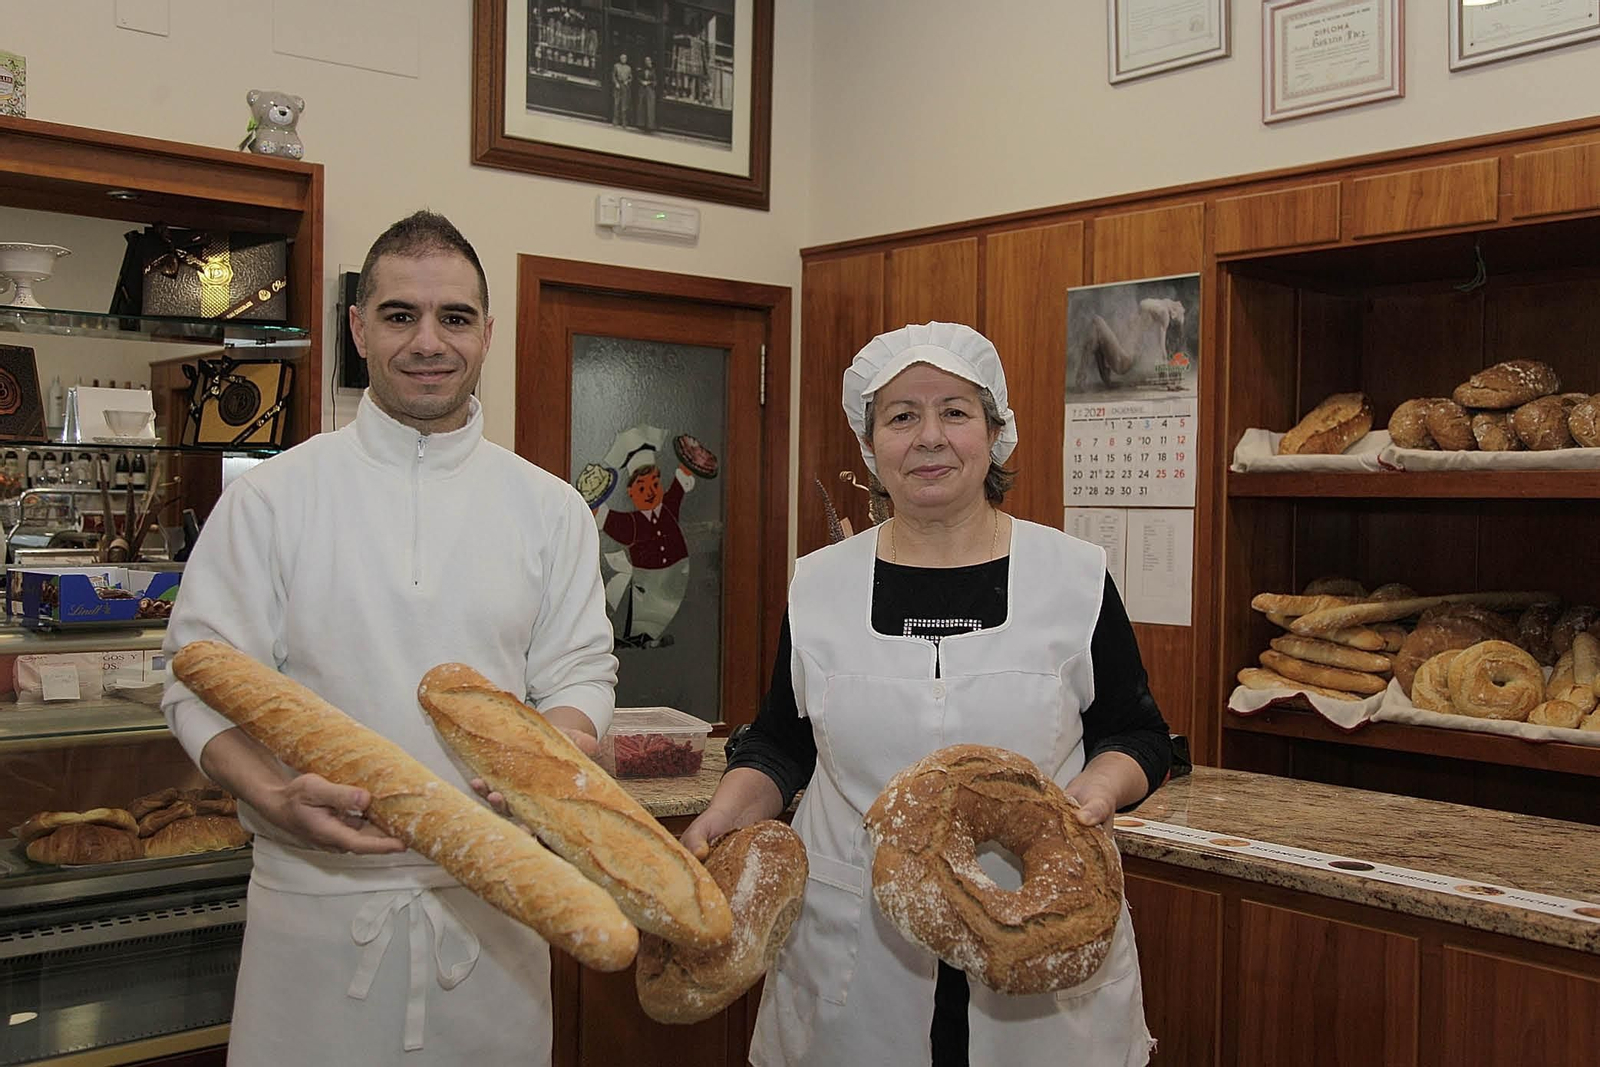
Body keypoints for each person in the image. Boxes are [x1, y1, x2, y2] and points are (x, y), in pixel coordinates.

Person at [160, 210, 618, 1066]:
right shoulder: (273, 498)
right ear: (358, 328)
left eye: (455, 317)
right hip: (312, 909)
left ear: (488, 334)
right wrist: (268, 789)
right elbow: (195, 680)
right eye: (401, 314)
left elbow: (580, 672)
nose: (428, 341)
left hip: (496, 911)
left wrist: (548, 761)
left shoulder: (548, 507)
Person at [682, 321, 1172, 1067]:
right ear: (870, 444)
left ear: (994, 431)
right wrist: (722, 816)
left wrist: (1090, 799)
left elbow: (1136, 735)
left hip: (1037, 943)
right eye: (902, 416)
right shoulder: (820, 585)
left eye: (955, 410)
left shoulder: (1071, 577)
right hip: (854, 952)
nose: (929, 436)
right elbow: (781, 745)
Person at [611, 52, 633, 126]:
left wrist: (628, 81)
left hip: (625, 86)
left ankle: (624, 121)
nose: (623, 59)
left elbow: (631, 77)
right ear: (620, 59)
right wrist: (616, 83)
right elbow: (613, 76)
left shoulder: (629, 68)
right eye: (622, 58)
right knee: (616, 103)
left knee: (624, 105)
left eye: (625, 58)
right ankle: (615, 120)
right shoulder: (616, 66)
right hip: (618, 85)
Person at [637, 55, 657, 131]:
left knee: (650, 107)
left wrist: (649, 83)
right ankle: (641, 123)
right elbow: (638, 77)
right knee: (641, 105)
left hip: (650, 90)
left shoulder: (653, 70)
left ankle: (650, 125)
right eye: (646, 60)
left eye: (648, 60)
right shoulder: (642, 70)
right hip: (642, 89)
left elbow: (655, 81)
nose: (647, 62)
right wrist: (642, 82)